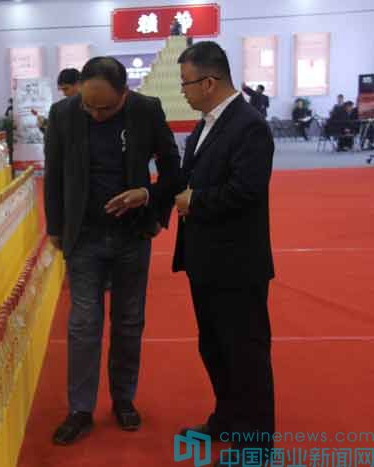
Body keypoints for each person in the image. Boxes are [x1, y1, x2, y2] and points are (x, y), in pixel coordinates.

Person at [44, 56, 181, 445]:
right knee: (83, 324)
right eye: (88, 106)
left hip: (131, 236)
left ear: (125, 93)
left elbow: (173, 168)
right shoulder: (63, 114)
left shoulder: (146, 110)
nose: (95, 114)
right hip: (84, 236)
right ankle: (80, 409)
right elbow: (54, 174)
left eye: (105, 108)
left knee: (128, 320)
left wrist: (148, 198)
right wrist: (56, 227)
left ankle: (123, 399)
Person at [173, 41, 275, 466]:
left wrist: (195, 201)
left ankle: (256, 446)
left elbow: (246, 190)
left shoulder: (249, 126)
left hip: (237, 262)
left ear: (209, 82)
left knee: (245, 354)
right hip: (205, 259)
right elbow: (187, 178)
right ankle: (228, 419)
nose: (182, 91)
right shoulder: (207, 124)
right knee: (214, 348)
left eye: (186, 83)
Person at [33, 68, 81, 134]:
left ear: (78, 84)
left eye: (66, 89)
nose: (64, 94)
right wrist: (45, 126)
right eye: (62, 90)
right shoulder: (59, 109)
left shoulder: (92, 105)